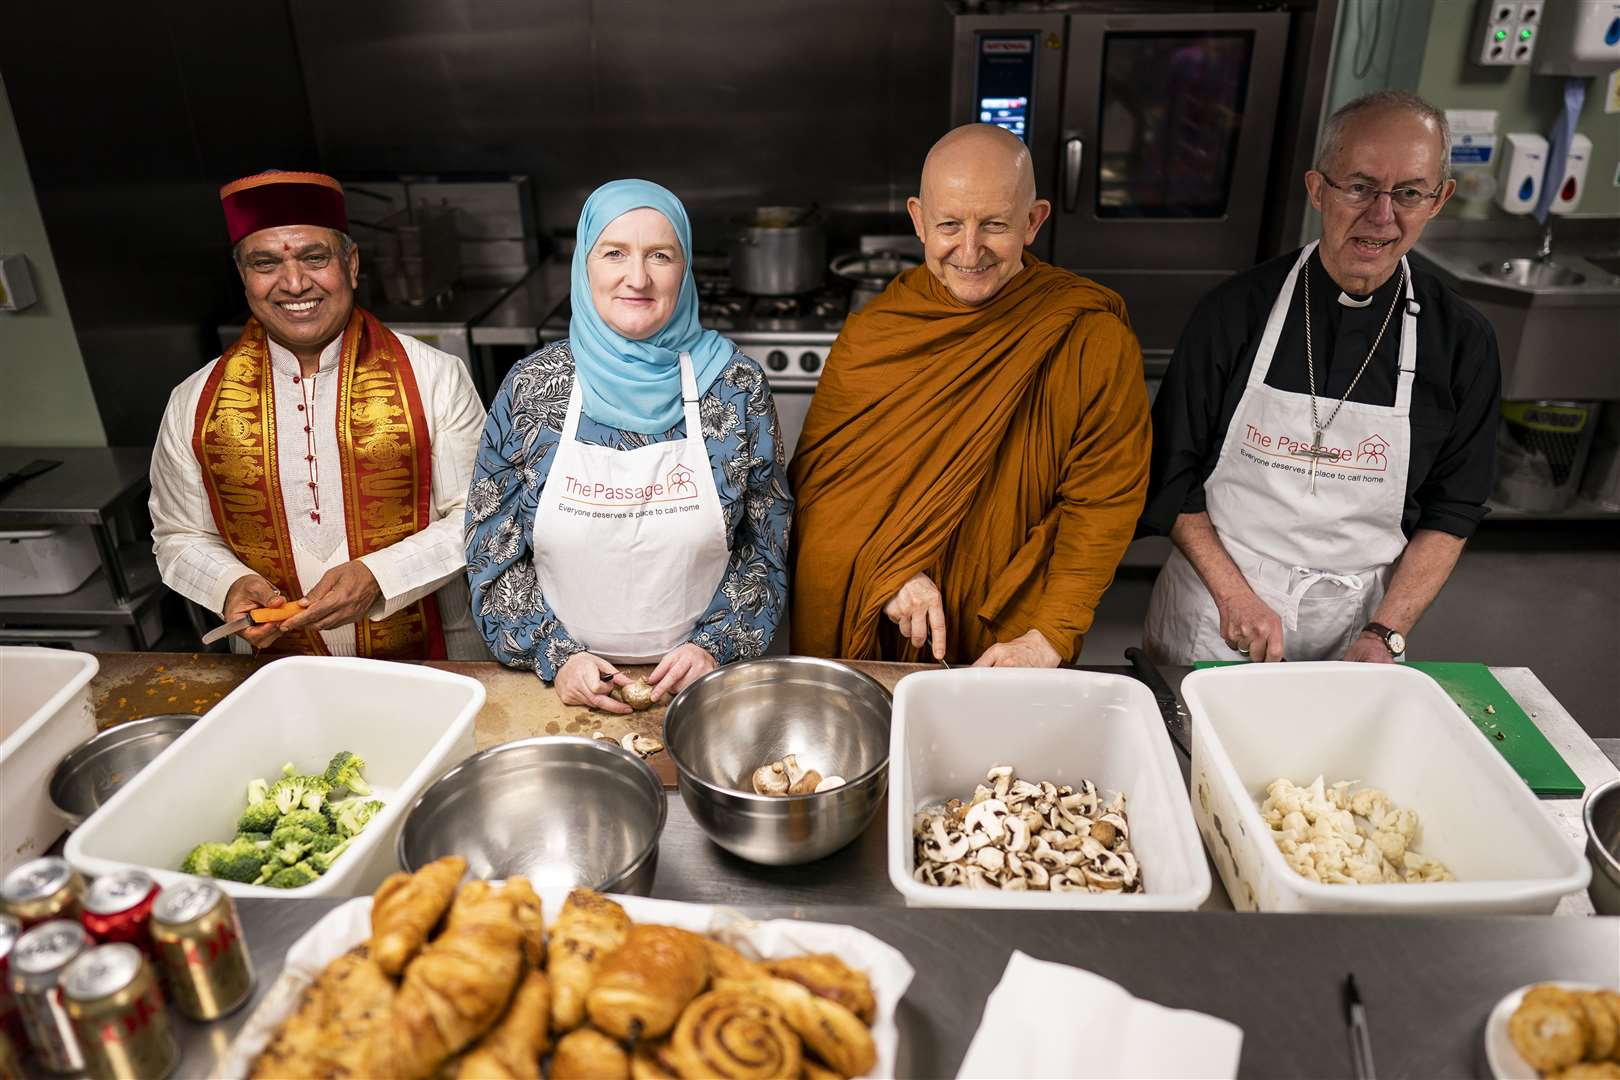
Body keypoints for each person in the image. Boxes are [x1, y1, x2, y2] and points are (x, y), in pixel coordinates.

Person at [1140, 91, 1500, 664]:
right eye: (1359, 187)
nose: (1382, 216)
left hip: (1357, 628)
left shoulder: (1462, 342)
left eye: (1408, 192)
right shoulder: (1233, 313)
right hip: (1213, 614)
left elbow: (1453, 511)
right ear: (1317, 189)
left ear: (1438, 200)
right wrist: (1234, 597)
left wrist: (1385, 633)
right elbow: (1171, 474)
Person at [789, 124, 1151, 667]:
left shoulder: (1091, 339)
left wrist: (1050, 636)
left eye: (996, 225)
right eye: (949, 224)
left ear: (1034, 221)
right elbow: (821, 493)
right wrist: (889, 574)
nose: (970, 249)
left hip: (1011, 636)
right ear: (917, 220)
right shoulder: (877, 332)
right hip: (886, 629)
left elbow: (1102, 504)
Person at [465, 180, 791, 713]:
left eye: (660, 256)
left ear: (684, 271)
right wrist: (558, 654)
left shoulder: (736, 387)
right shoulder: (531, 388)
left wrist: (714, 647)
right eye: (614, 253)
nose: (637, 278)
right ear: (584, 265)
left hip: (706, 689)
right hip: (560, 693)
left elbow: (768, 543)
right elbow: (490, 553)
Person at [151, 170, 487, 659]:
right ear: (243, 277)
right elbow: (179, 533)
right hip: (276, 674)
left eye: (314, 257)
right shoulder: (195, 402)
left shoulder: (435, 377)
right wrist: (228, 585)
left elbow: (481, 516)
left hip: (438, 658)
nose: (293, 283)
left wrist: (380, 577)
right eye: (265, 263)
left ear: (351, 264)